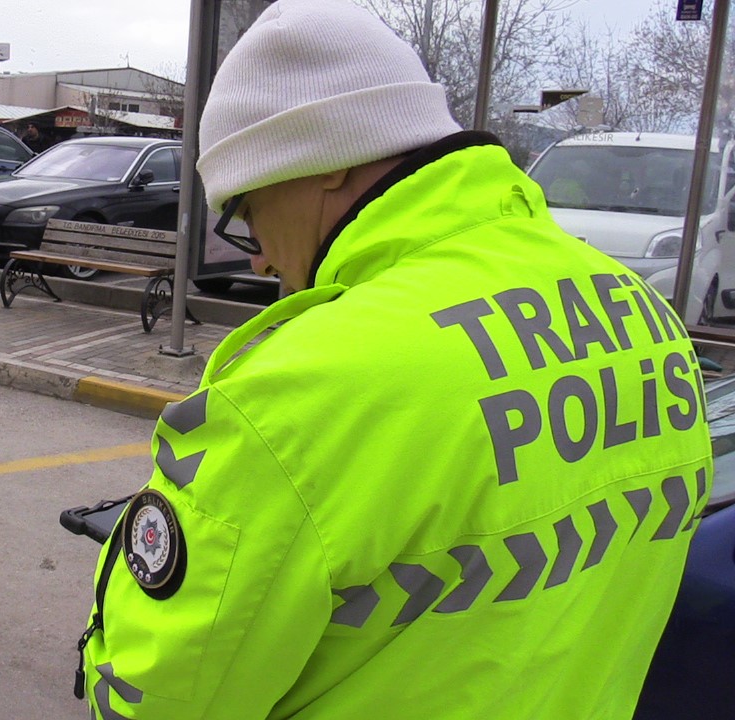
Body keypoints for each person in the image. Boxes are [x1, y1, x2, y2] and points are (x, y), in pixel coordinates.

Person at [77, 0, 714, 717]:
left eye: (247, 212)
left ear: (319, 160)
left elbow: (156, 696)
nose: (255, 254)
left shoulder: (304, 388)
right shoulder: (634, 307)